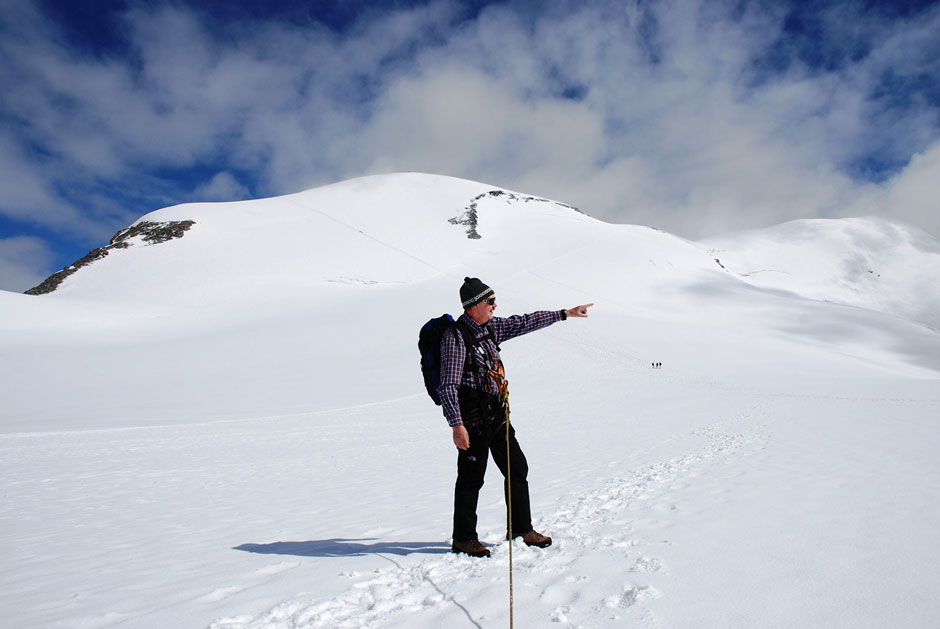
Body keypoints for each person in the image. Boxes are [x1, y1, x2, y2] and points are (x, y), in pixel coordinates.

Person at [439, 277, 592, 557]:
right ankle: (463, 538)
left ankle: (521, 528)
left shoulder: (491, 328)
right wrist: (456, 425)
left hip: (497, 414)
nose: (495, 305)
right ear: (474, 305)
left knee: (517, 469)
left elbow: (525, 322)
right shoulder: (456, 336)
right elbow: (448, 384)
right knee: (472, 479)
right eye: (490, 301)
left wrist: (564, 314)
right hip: (472, 419)